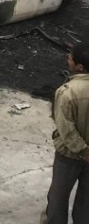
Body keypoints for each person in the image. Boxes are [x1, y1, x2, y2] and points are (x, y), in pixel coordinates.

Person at [44, 43, 89, 224]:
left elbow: (66, 129)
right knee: (86, 200)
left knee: (58, 197)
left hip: (70, 155)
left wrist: (84, 151)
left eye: (70, 57)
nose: (67, 59)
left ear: (79, 67)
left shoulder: (67, 92)